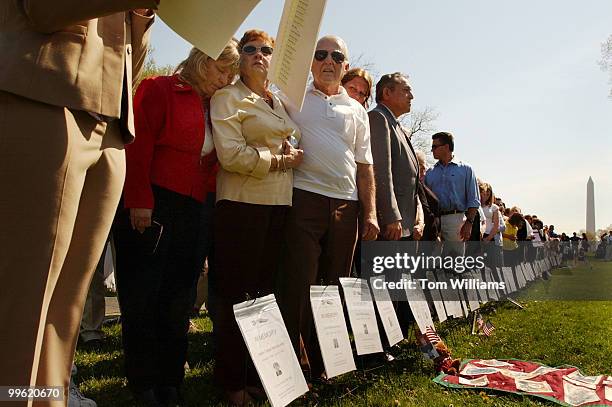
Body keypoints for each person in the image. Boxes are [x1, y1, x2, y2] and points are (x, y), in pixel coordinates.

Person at [0, 2, 158, 406]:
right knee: (26, 303)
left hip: (110, 125)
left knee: (65, 309)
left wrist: (141, 16)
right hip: (44, 94)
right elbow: (42, 11)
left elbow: (130, 66)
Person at [114, 43, 239, 406]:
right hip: (153, 203)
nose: (225, 79)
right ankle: (143, 383)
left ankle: (171, 380)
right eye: (221, 70)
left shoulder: (215, 106)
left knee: (179, 298)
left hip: (195, 209)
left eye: (230, 73)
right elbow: (137, 147)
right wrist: (139, 199)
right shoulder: (159, 88)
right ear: (202, 61)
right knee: (143, 296)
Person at [210, 29, 303, 406]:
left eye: (267, 50)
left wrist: (287, 149)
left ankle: (258, 376)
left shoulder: (279, 101)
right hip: (240, 205)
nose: (259, 55)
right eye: (251, 49)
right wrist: (281, 159)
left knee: (264, 295)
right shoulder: (227, 97)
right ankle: (232, 383)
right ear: (239, 56)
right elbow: (230, 155)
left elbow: (289, 138)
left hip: (279, 205)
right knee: (237, 296)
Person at [279, 35, 379, 380]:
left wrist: (370, 213)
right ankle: (295, 363)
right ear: (310, 62)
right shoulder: (291, 97)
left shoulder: (357, 110)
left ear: (345, 66)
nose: (328, 61)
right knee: (299, 282)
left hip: (346, 205)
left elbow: (365, 165)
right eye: (320, 54)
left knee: (334, 285)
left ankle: (326, 361)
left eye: (336, 56)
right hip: (303, 197)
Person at [369, 72, 423, 242]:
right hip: (390, 226)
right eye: (406, 90)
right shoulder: (378, 118)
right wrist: (390, 215)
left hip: (404, 224)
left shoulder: (397, 126)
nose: (411, 96)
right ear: (387, 93)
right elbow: (380, 171)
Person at [424, 132, 480, 263]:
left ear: (446, 147)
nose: (431, 150)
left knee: (454, 261)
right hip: (435, 220)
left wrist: (469, 223)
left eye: (434, 146)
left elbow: (474, 199)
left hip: (456, 220)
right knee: (433, 260)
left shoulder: (466, 169)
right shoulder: (430, 172)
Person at [479, 182, 501, 267]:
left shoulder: (494, 207)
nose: (485, 196)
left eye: (488, 194)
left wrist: (488, 238)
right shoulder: (476, 205)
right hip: (478, 235)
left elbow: (496, 226)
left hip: (489, 236)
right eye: (483, 194)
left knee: (488, 263)